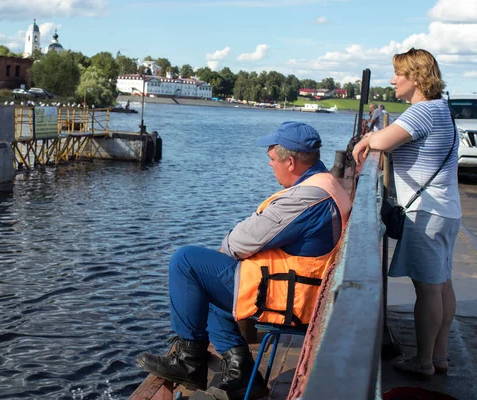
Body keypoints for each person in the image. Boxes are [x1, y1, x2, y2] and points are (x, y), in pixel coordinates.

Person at [137, 122, 352, 398]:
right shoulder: (326, 183)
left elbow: (241, 242)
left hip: (294, 300)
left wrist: (224, 253)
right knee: (209, 284)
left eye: (272, 160)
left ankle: (188, 362)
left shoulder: (307, 198)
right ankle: (243, 374)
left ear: (290, 162)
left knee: (185, 261)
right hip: (310, 291)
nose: (270, 165)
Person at [353, 48, 461, 378]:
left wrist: (367, 138)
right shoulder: (442, 109)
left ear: (415, 77)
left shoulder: (420, 112)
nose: (392, 80)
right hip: (447, 210)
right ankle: (439, 356)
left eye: (398, 73)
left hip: (426, 214)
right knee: (442, 285)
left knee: (427, 289)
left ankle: (424, 361)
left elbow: (382, 142)